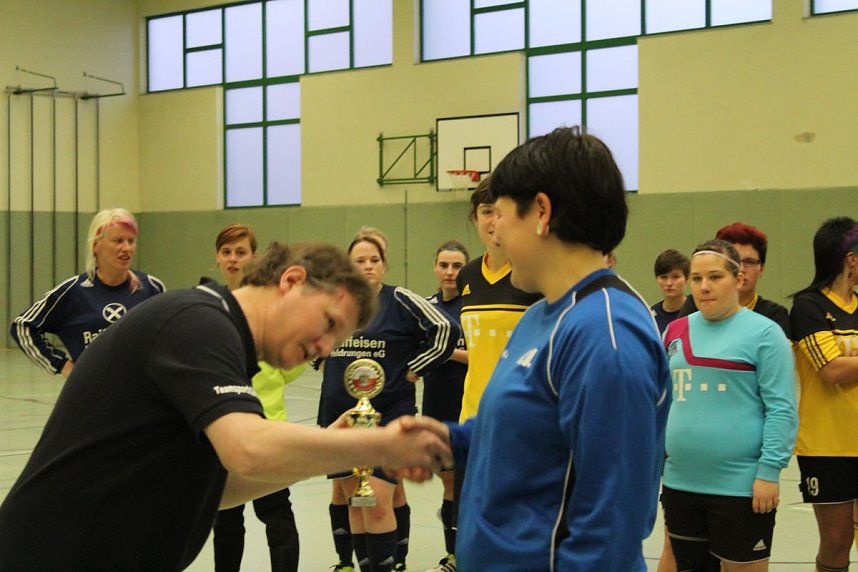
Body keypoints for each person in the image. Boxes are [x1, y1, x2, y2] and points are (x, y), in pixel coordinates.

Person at [0, 241, 452, 571]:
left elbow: (215, 487)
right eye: (328, 324)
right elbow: (247, 450)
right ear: (291, 282)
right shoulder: (197, 322)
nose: (324, 348)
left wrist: (328, 450)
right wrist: (377, 446)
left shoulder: (223, 344)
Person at [399, 127, 671, 569]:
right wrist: (445, 440)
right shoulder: (539, 317)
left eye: (500, 213)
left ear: (541, 213)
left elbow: (610, 524)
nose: (494, 230)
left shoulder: (606, 333)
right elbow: (524, 434)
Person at [318, 233, 458, 572]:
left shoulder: (402, 300)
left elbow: (445, 329)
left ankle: (393, 564)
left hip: (389, 416)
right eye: (359, 261)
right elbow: (311, 333)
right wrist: (317, 355)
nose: (367, 266)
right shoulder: (332, 302)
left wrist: (416, 367)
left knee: (378, 503)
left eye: (374, 260)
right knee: (355, 503)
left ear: (384, 264)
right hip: (340, 414)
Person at [661, 239, 797, 571]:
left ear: (738, 279)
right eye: (696, 278)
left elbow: (782, 408)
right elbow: (661, 402)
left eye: (715, 277)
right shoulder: (675, 331)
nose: (704, 287)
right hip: (680, 483)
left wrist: (769, 472)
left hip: (741, 487)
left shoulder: (766, 334)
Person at [449, 176, 541, 571]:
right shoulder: (468, 276)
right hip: (473, 419)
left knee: (517, 529)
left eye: (500, 211)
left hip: (523, 425)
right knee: (474, 526)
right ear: (476, 219)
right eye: (486, 212)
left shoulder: (533, 276)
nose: (493, 221)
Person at [211, 224, 304, 572]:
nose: (233, 259)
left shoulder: (270, 305)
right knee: (226, 520)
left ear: (254, 257)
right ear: (217, 258)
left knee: (277, 516)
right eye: (226, 252)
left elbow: (289, 366)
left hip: (268, 430)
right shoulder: (210, 305)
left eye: (240, 252)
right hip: (226, 433)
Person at [10, 207, 165, 377]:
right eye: (118, 241)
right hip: (92, 395)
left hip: (142, 395)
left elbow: (168, 339)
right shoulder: (73, 291)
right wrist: (62, 366)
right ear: (96, 245)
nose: (127, 248)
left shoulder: (151, 288)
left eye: (131, 241)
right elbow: (23, 326)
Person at [789, 217, 858, 572]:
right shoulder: (808, 307)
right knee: (836, 541)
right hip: (826, 447)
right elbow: (831, 370)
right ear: (850, 258)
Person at [422, 240, 469, 572]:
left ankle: (458, 555)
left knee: (462, 483)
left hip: (468, 405)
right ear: (436, 267)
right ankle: (454, 543)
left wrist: (445, 351)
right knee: (448, 482)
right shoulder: (424, 307)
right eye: (444, 265)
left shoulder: (474, 306)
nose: (450, 272)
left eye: (457, 266)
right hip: (435, 404)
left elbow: (483, 353)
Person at [678, 222, 790, 337]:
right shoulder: (696, 304)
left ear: (761, 269)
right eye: (734, 262)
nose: (740, 268)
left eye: (749, 262)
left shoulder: (773, 317)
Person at [650, 249, 690, 335]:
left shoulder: (697, 311)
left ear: (687, 279)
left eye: (675, 277)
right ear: (657, 279)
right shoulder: (650, 317)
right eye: (663, 277)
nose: (669, 283)